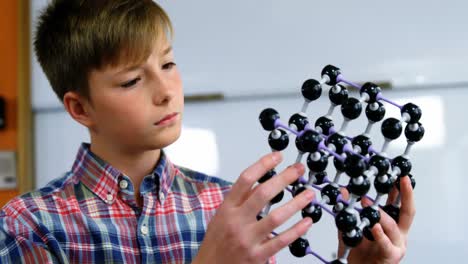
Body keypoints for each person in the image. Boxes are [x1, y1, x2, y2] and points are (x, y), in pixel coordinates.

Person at [0, 0, 415, 263]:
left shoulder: (228, 205)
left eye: (167, 65)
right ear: (79, 107)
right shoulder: (31, 225)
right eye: (131, 81)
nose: (166, 92)